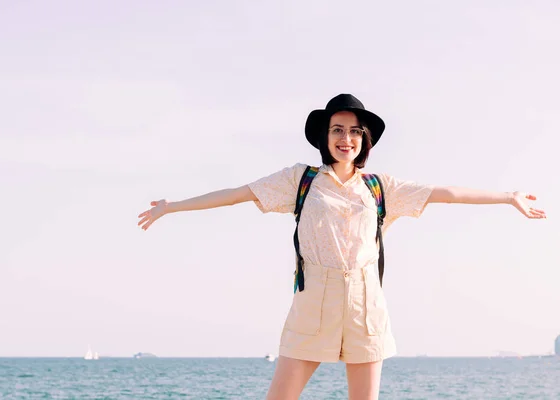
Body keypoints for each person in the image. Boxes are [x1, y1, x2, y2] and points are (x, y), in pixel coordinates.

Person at [137, 94, 546, 400]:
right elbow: (236, 194)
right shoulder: (300, 180)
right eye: (337, 129)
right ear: (325, 137)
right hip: (313, 299)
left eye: (353, 131)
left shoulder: (380, 186)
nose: (345, 138)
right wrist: (173, 207)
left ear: (363, 139)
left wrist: (509, 196)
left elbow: (447, 192)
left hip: (365, 302)